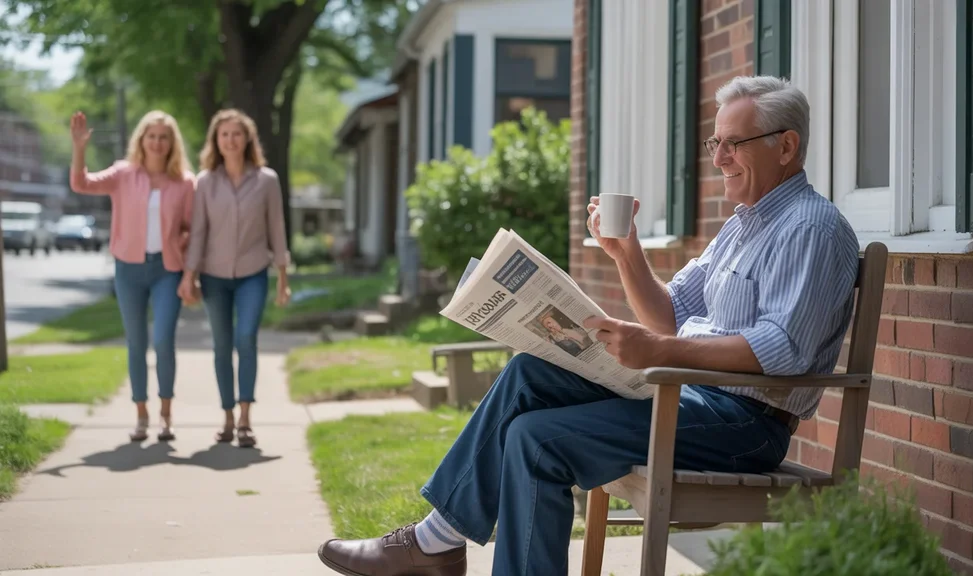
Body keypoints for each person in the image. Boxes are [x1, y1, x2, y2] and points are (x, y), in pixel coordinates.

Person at [316, 75, 860, 575]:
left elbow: (782, 349)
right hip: (687, 397)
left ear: (785, 147)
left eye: (732, 144)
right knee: (531, 370)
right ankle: (439, 538)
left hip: (742, 423)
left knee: (535, 440)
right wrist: (626, 256)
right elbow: (669, 313)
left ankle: (435, 544)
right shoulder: (740, 227)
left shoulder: (811, 227)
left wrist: (658, 351)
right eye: (713, 143)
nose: (718, 158)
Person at [69, 110, 196, 443]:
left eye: (163, 137)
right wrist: (79, 148)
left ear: (172, 143)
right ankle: (141, 414)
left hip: (168, 269)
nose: (156, 142)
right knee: (136, 342)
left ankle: (166, 414)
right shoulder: (124, 174)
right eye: (151, 136)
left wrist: (188, 269)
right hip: (128, 268)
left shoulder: (184, 182)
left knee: (164, 340)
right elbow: (81, 183)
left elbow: (192, 228)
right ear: (142, 140)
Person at [179, 109, 291, 449]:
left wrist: (283, 278)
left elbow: (277, 230)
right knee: (221, 346)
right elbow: (198, 233)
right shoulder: (205, 182)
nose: (231, 140)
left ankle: (245, 418)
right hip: (213, 276)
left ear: (247, 139)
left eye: (237, 134)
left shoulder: (267, 180)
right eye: (224, 134)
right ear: (216, 140)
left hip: (253, 273)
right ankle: (227, 417)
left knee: (246, 339)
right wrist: (189, 276)